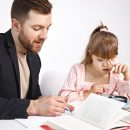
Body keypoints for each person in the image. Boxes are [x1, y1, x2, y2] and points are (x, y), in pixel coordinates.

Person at [0, 0, 67, 119]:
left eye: (47, 28)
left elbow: (34, 96)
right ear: (16, 25)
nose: (44, 36)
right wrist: (34, 106)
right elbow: (33, 104)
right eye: (37, 28)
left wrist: (50, 103)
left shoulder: (34, 58)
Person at [58, 24, 130, 102]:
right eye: (100, 60)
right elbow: (63, 97)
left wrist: (126, 75)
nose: (106, 64)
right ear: (90, 54)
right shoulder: (77, 70)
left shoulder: (115, 75)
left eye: (111, 59)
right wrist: (88, 93)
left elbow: (126, 102)